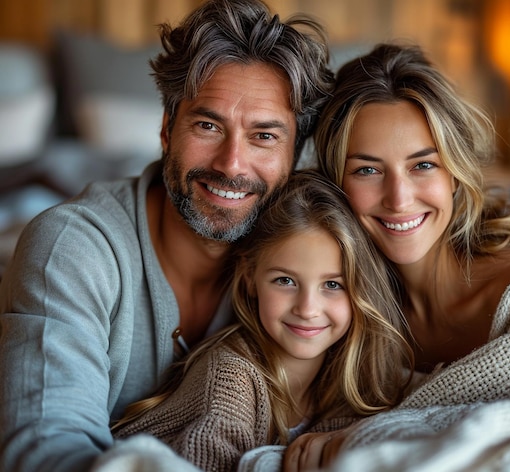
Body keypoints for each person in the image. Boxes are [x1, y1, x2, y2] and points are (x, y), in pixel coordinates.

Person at [238, 43, 510, 471]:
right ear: (334, 183)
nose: (399, 199)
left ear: (455, 173)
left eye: (423, 165)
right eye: (367, 169)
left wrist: (375, 435)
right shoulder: (329, 302)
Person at [0, 1, 335, 471]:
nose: (231, 164)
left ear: (296, 156)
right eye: (207, 124)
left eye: (263, 136)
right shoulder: (72, 248)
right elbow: (43, 449)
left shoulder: (318, 263)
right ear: (165, 128)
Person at [100, 170, 414, 472]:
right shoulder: (230, 378)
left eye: (333, 285)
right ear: (250, 277)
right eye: (285, 281)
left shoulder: (354, 377)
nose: (308, 309)